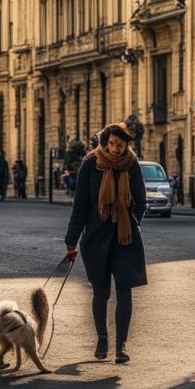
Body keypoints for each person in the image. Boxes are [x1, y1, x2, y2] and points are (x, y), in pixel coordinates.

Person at [65, 117, 147, 364]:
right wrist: (71, 240)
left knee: (125, 291)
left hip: (125, 239)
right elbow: (80, 205)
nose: (115, 148)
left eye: (120, 145)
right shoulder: (91, 164)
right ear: (105, 143)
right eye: (111, 143)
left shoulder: (131, 165)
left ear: (126, 147)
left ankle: (121, 346)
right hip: (96, 238)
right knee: (100, 292)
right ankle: (102, 339)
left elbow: (141, 200)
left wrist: (130, 222)